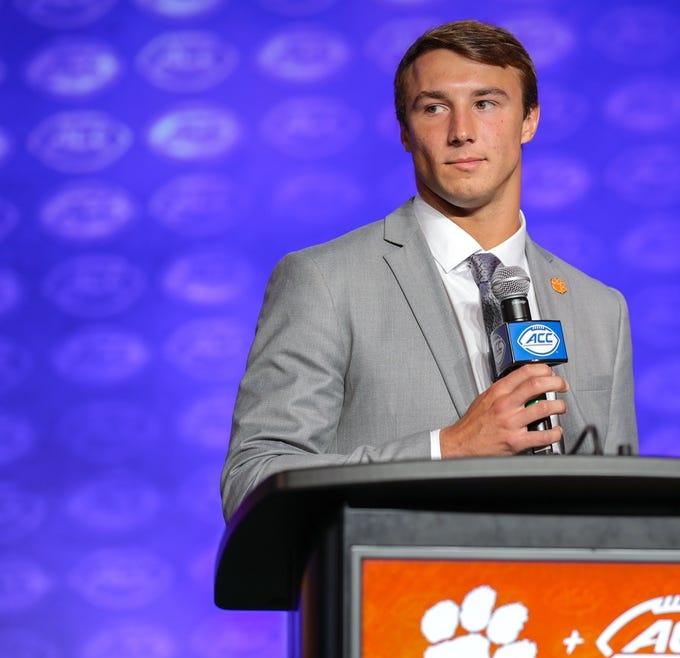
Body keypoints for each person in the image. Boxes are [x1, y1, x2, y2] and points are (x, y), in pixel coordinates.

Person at [220, 20, 637, 520]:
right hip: (394, 591)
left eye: (486, 103)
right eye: (435, 107)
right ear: (405, 132)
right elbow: (254, 479)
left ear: (530, 121)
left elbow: (623, 508)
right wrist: (448, 449)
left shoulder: (599, 309)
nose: (462, 132)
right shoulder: (325, 282)